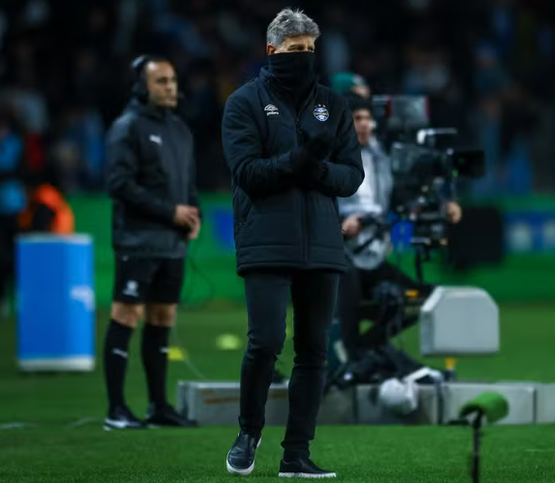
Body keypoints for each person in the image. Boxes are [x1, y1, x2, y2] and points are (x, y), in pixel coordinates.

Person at [221, 8, 364, 478]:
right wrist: (301, 158)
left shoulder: (334, 105)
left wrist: (317, 168)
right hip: (265, 239)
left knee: (313, 351)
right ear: (271, 51)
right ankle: (249, 431)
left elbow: (352, 176)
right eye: (293, 49)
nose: (302, 57)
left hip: (322, 244)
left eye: (308, 50)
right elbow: (247, 174)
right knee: (265, 342)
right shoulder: (244, 103)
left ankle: (296, 453)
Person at [102, 55, 200, 430]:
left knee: (163, 318)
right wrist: (169, 212)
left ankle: (158, 406)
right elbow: (119, 185)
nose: (170, 87)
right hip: (138, 240)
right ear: (141, 87)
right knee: (126, 315)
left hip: (171, 243)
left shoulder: (180, 130)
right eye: (161, 81)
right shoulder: (126, 128)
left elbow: (188, 185)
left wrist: (194, 216)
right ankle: (116, 410)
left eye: (172, 80)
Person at [337, 94, 463, 361]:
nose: (365, 125)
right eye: (357, 118)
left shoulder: (380, 158)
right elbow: (313, 207)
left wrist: (442, 206)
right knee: (345, 300)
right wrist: (342, 224)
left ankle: (361, 352)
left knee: (421, 300)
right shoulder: (328, 159)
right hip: (340, 258)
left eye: (368, 119)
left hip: (374, 257)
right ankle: (347, 356)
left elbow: (400, 198)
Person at [0, 106, 26, 319]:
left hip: (13, 209)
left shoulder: (15, 144)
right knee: (0, 258)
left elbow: (21, 170)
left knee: (12, 260)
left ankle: (2, 299)